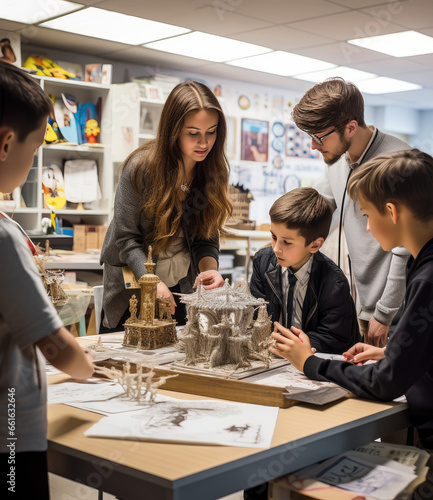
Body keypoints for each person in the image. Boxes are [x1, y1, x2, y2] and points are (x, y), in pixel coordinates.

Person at [270, 149, 433, 500]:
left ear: (391, 212)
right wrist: (392, 350)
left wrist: (310, 363)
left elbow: (386, 383)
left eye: (366, 214)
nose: (366, 226)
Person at [0, 61, 94, 499]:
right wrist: (88, 368)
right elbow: (54, 345)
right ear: (5, 144)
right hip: (11, 435)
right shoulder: (3, 237)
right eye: (35, 147)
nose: (33, 159)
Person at [100, 80, 232, 331]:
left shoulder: (213, 172)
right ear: (174, 130)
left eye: (211, 131)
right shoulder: (140, 168)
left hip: (181, 287)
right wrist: (152, 283)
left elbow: (205, 237)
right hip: (136, 286)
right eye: (193, 133)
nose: (204, 143)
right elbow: (126, 239)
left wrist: (210, 271)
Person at [292, 77, 412, 347]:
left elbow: (404, 248)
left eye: (319, 136)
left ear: (350, 127)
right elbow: (315, 206)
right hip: (362, 304)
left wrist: (384, 313)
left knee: (392, 385)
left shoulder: (399, 162)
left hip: (395, 311)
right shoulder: (336, 158)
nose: (313, 145)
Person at [250, 187, 360, 354]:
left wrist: (291, 345)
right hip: (270, 359)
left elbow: (336, 338)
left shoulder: (334, 283)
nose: (276, 249)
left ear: (315, 245)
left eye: (286, 242)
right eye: (273, 237)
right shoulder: (262, 262)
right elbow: (255, 315)